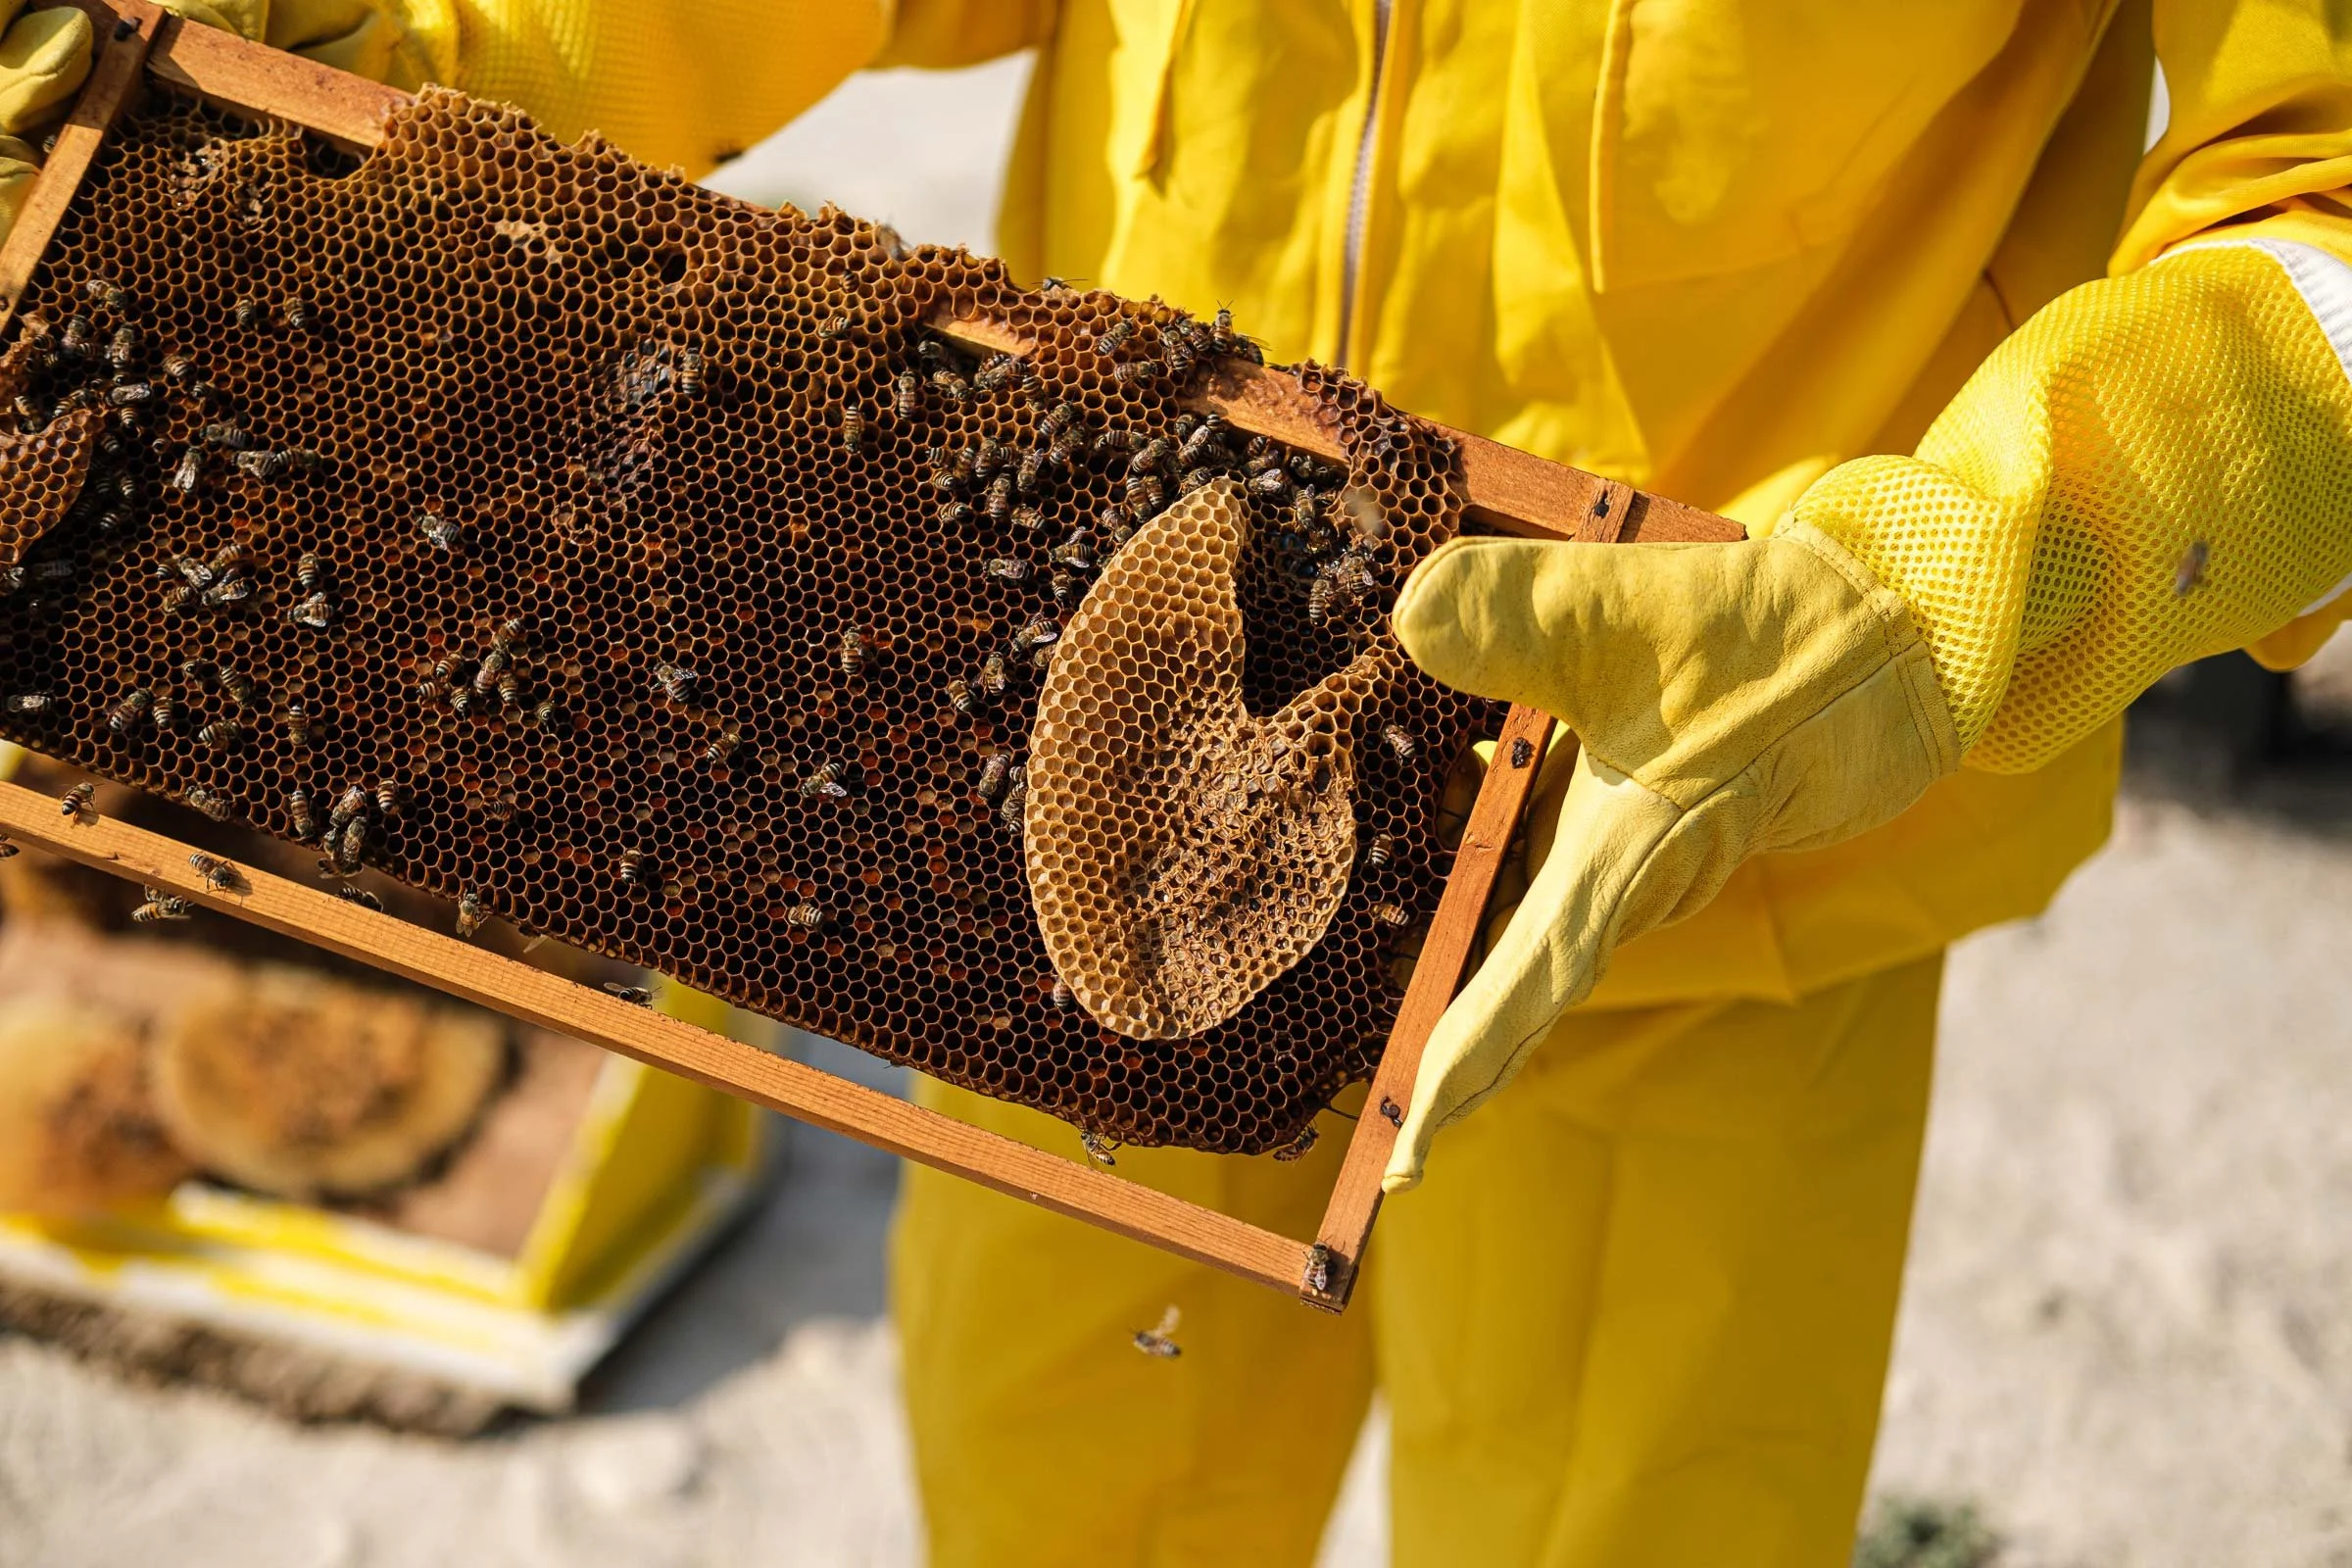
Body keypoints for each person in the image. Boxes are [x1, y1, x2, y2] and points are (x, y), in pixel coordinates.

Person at [5, 2, 2351, 1562]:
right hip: (1053, 779)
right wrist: (429, 22)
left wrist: (1947, 595)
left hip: (1687, 851)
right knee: (1054, 1483)